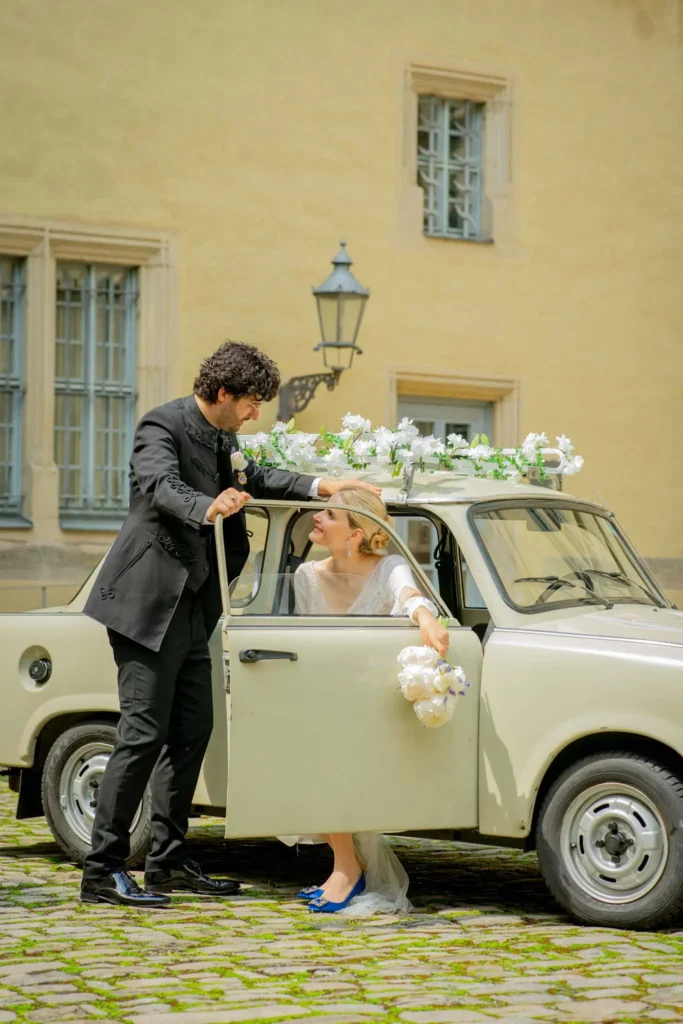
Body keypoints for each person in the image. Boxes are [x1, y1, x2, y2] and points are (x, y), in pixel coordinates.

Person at [80, 341, 379, 908]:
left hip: (196, 609)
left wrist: (324, 487)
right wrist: (207, 507)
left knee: (192, 732)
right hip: (147, 609)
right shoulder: (160, 425)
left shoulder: (222, 436)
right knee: (141, 736)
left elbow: (258, 476)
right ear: (222, 393)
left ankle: (166, 864)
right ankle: (102, 871)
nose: (254, 415)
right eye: (250, 403)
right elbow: (158, 486)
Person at [282, 488, 450, 915]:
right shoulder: (305, 575)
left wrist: (426, 619)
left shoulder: (389, 567)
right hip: (324, 695)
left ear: (355, 534)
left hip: (372, 700)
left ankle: (347, 871)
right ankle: (345, 863)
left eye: (330, 515)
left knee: (328, 747)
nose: (317, 519)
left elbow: (409, 594)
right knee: (308, 740)